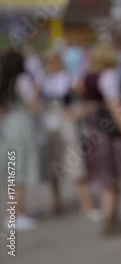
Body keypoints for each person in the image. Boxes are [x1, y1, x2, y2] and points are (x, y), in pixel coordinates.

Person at [81, 42, 121, 235]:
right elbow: (116, 108)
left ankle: (111, 217)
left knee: (105, 178)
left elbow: (87, 105)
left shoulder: (89, 76)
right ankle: (110, 219)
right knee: (111, 179)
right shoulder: (109, 76)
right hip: (108, 133)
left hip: (92, 129)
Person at [40, 50, 100, 221]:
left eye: (54, 59)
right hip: (50, 127)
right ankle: (56, 202)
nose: (52, 63)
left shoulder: (70, 78)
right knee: (53, 165)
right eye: (49, 60)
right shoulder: (44, 80)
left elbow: (87, 98)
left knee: (75, 164)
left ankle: (87, 204)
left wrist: (77, 114)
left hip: (67, 126)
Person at [0, 49, 40, 231]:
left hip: (7, 126)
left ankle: (15, 212)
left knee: (11, 170)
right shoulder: (22, 80)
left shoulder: (4, 81)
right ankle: (17, 214)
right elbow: (34, 107)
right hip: (22, 125)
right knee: (20, 172)